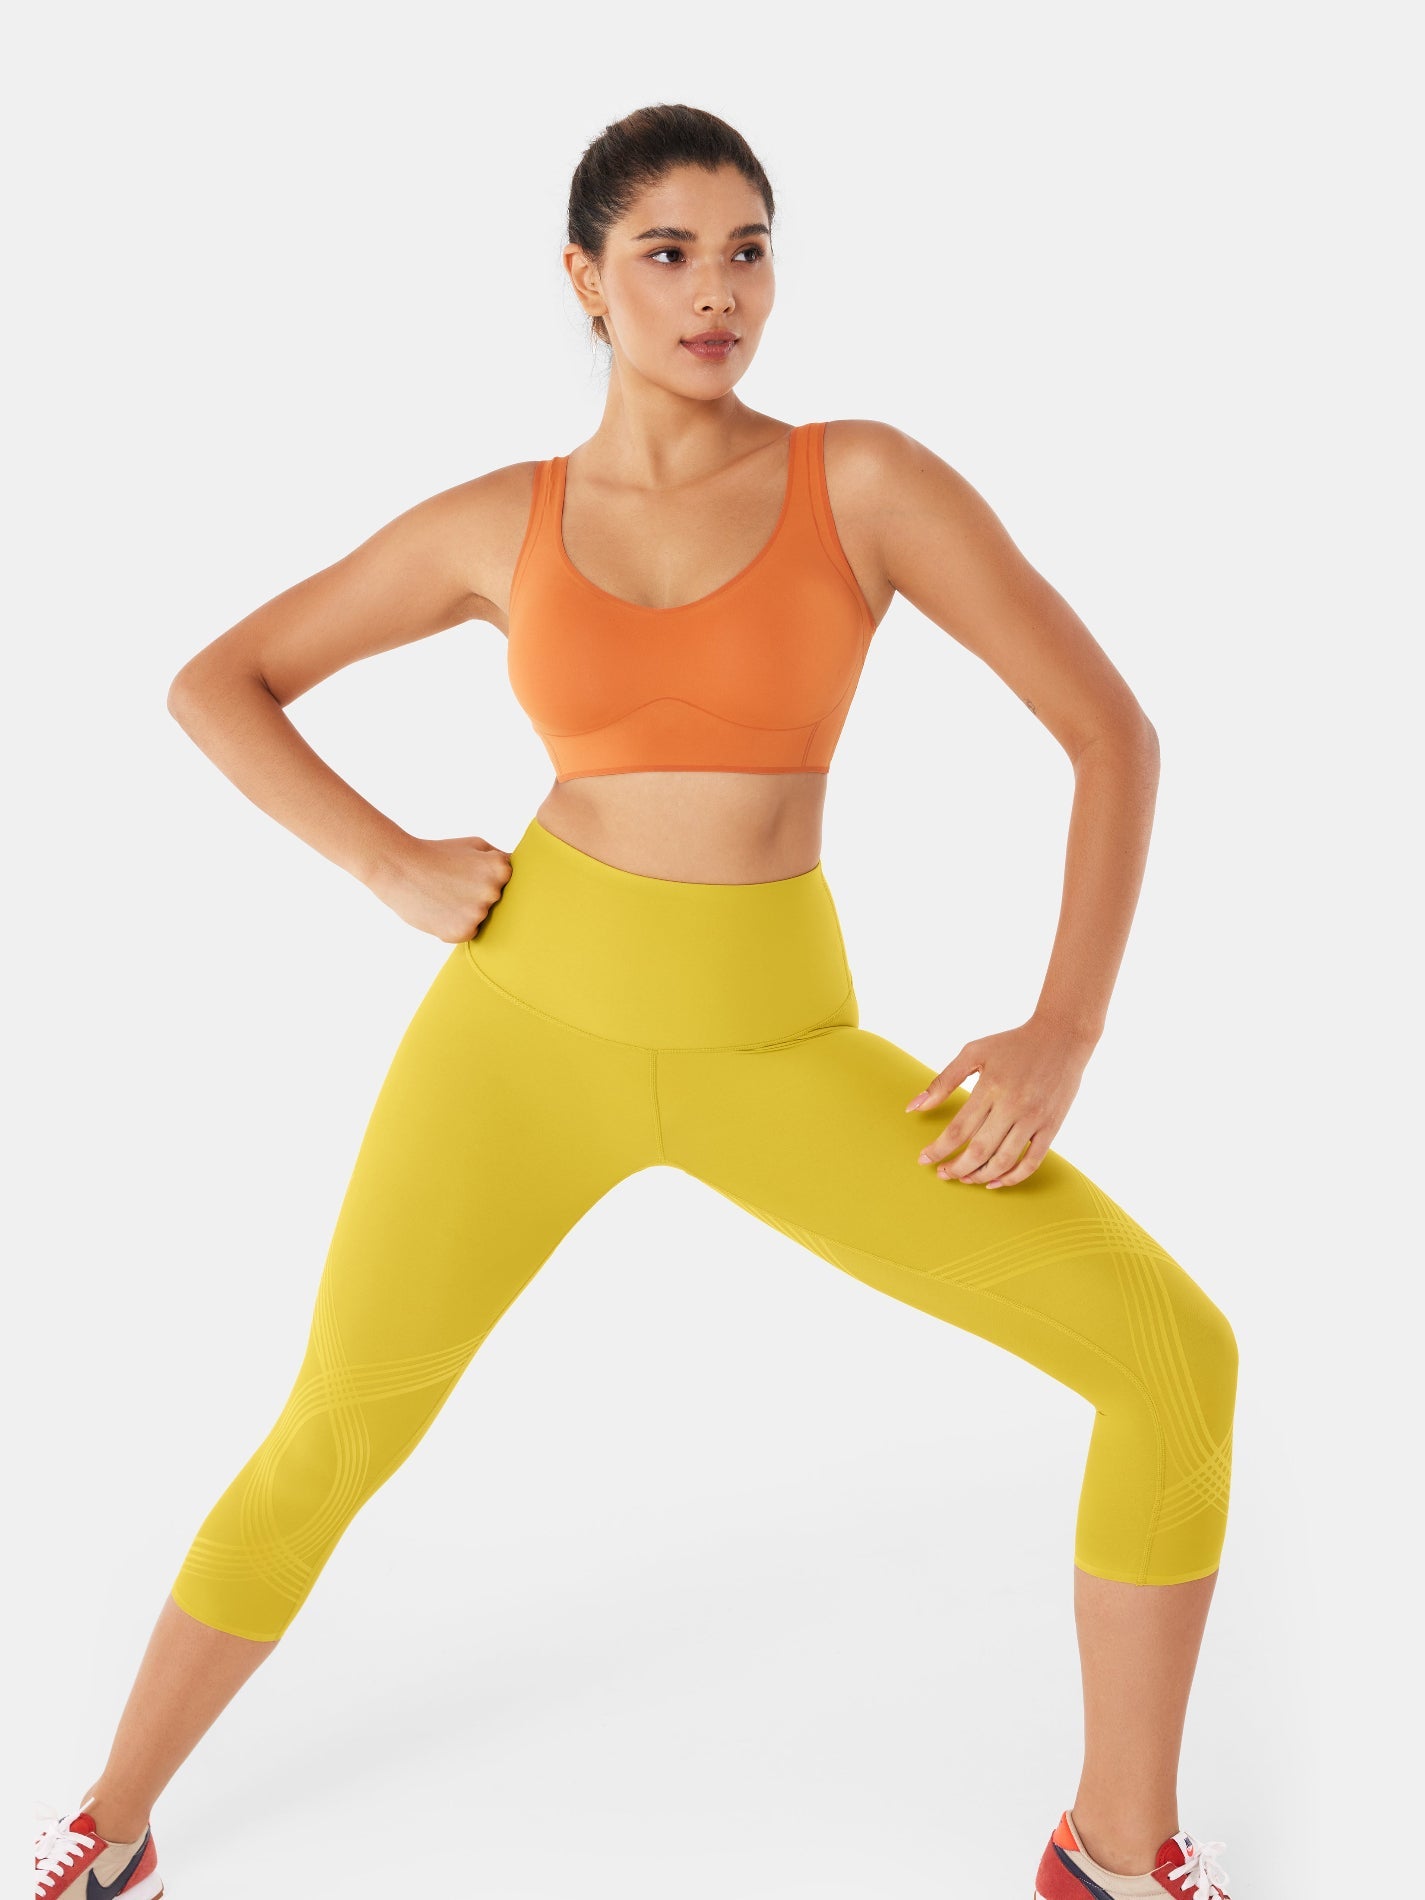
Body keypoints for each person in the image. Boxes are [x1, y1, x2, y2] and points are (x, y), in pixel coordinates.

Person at [34, 102, 1237, 1900]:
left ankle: (1116, 1849)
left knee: (1169, 1357)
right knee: (340, 1422)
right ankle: (107, 1826)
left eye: (747, 250)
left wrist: (1062, 1028)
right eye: (667, 253)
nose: (714, 292)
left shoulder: (862, 482)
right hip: (527, 1029)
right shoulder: (499, 520)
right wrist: (383, 861)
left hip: (776, 1042)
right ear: (584, 279)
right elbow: (223, 680)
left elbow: (1107, 733)